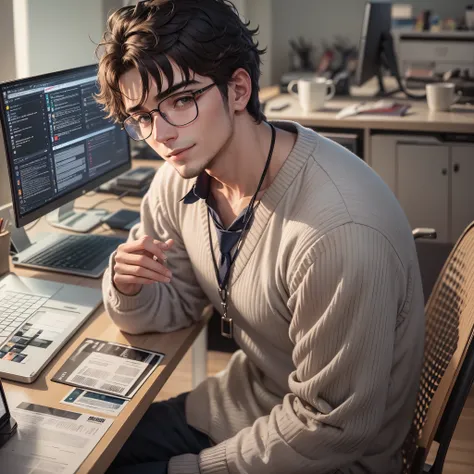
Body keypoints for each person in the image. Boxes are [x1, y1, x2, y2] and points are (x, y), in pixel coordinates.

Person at [97, 1, 425, 473]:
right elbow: (177, 307)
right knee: (77, 452)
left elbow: (329, 428)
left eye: (182, 101)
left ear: (237, 89)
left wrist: (193, 467)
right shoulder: (181, 179)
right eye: (143, 116)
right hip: (246, 407)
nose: (161, 133)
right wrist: (128, 289)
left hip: (330, 457)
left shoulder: (339, 233)